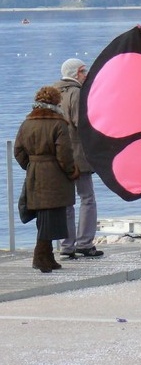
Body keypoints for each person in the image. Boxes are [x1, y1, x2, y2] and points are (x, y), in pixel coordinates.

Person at [14, 86, 77, 273]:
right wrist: (72, 171)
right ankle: (40, 257)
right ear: (56, 102)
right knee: (52, 215)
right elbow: (64, 153)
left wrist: (31, 165)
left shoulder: (27, 123)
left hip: (34, 173)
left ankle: (48, 257)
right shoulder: (58, 123)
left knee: (43, 216)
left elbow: (18, 151)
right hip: (54, 175)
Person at [55, 58, 103, 259]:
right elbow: (81, 123)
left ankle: (66, 245)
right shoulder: (77, 93)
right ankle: (85, 242)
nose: (86, 75)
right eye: (84, 71)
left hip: (58, 155)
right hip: (78, 156)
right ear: (76, 73)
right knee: (87, 199)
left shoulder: (54, 91)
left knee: (66, 201)